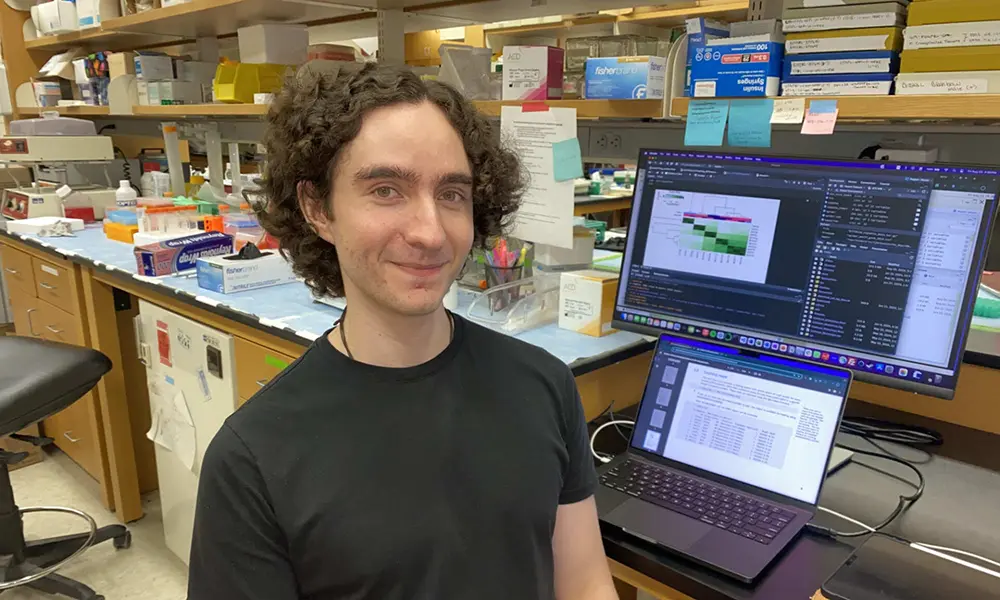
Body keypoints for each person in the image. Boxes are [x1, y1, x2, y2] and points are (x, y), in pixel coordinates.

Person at [187, 63, 618, 600]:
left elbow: (584, 583)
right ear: (317, 208)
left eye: (452, 194)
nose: (430, 232)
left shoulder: (545, 385)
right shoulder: (253, 458)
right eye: (387, 189)